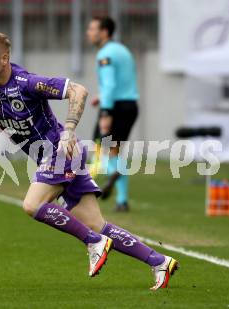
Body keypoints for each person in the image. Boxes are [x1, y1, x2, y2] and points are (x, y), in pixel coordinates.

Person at [0, 32, 178, 290]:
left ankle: (92, 242)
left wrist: (69, 129)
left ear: (4, 58)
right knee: (98, 223)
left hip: (59, 152)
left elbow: (79, 91)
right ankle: (159, 261)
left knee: (32, 205)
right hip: (57, 157)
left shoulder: (28, 83)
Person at [86, 16, 140, 212]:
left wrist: (106, 111)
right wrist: (102, 96)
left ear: (104, 32)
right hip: (130, 105)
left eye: (92, 29)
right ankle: (122, 201)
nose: (88, 33)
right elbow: (122, 81)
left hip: (114, 108)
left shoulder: (105, 54)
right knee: (115, 150)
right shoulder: (122, 50)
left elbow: (109, 83)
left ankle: (107, 175)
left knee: (100, 148)